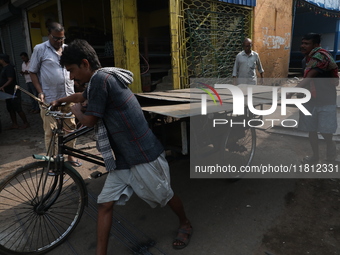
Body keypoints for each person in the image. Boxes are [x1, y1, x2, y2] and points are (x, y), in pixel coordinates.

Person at [51, 39, 192, 254]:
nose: (71, 77)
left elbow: (89, 120)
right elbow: (83, 96)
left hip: (143, 154)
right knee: (105, 204)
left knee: (165, 195)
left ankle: (185, 223)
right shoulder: (99, 79)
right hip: (124, 158)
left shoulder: (101, 80)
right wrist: (63, 99)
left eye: (71, 71)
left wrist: (76, 110)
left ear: (85, 63)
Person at [29, 22, 81, 166]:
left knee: (71, 129)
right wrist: (40, 92)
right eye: (56, 38)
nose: (59, 41)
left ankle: (70, 157)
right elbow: (32, 71)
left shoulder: (67, 49)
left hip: (68, 96)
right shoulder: (40, 49)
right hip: (49, 98)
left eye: (62, 38)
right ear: (48, 35)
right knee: (51, 133)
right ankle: (53, 162)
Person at [288, 33, 339, 164]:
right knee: (311, 130)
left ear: (316, 45)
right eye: (302, 43)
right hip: (309, 100)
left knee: (325, 131)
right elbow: (306, 80)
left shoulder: (321, 57)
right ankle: (315, 157)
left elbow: (310, 77)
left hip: (326, 100)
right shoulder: (306, 60)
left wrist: (291, 92)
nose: (303, 46)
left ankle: (331, 149)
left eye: (307, 43)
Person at [0, 54, 29, 129]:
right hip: (7, 92)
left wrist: (3, 86)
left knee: (17, 108)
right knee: (10, 109)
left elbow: (10, 79)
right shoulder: (3, 68)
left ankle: (25, 122)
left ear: (3, 60)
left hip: (13, 91)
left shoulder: (9, 68)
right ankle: (14, 124)